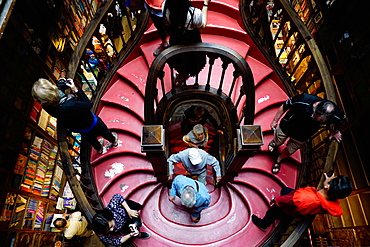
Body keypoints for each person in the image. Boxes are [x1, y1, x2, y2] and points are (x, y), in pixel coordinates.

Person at [32, 78, 118, 154]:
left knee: (91, 139)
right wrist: (75, 89)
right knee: (104, 131)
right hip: (92, 123)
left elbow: (55, 99)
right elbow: (88, 104)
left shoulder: (48, 107)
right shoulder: (70, 105)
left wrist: (60, 85)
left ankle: (99, 149)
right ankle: (113, 141)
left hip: (80, 128)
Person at [269, 93, 345, 174]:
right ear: (315, 109)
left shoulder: (336, 114)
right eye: (315, 117)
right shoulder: (304, 99)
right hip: (287, 126)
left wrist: (335, 132)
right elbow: (285, 106)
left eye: (320, 121)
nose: (316, 121)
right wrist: (275, 120)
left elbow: (340, 121)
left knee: (290, 150)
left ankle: (279, 159)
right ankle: (274, 143)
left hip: (302, 136)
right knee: (278, 140)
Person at [252, 173, 352, 231]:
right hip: (301, 209)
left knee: (272, 213)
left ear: (327, 187)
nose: (329, 177)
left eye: (331, 179)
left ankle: (263, 224)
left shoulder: (303, 197)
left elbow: (286, 201)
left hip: (292, 206)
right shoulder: (331, 201)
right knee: (285, 190)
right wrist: (327, 182)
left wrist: (275, 200)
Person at [163, 0, 211, 84]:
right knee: (192, 59)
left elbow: (167, 24)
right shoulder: (194, 13)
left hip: (176, 40)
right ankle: (184, 75)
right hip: (192, 40)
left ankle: (182, 74)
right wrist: (205, 4)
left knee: (179, 59)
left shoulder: (166, 7)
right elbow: (202, 27)